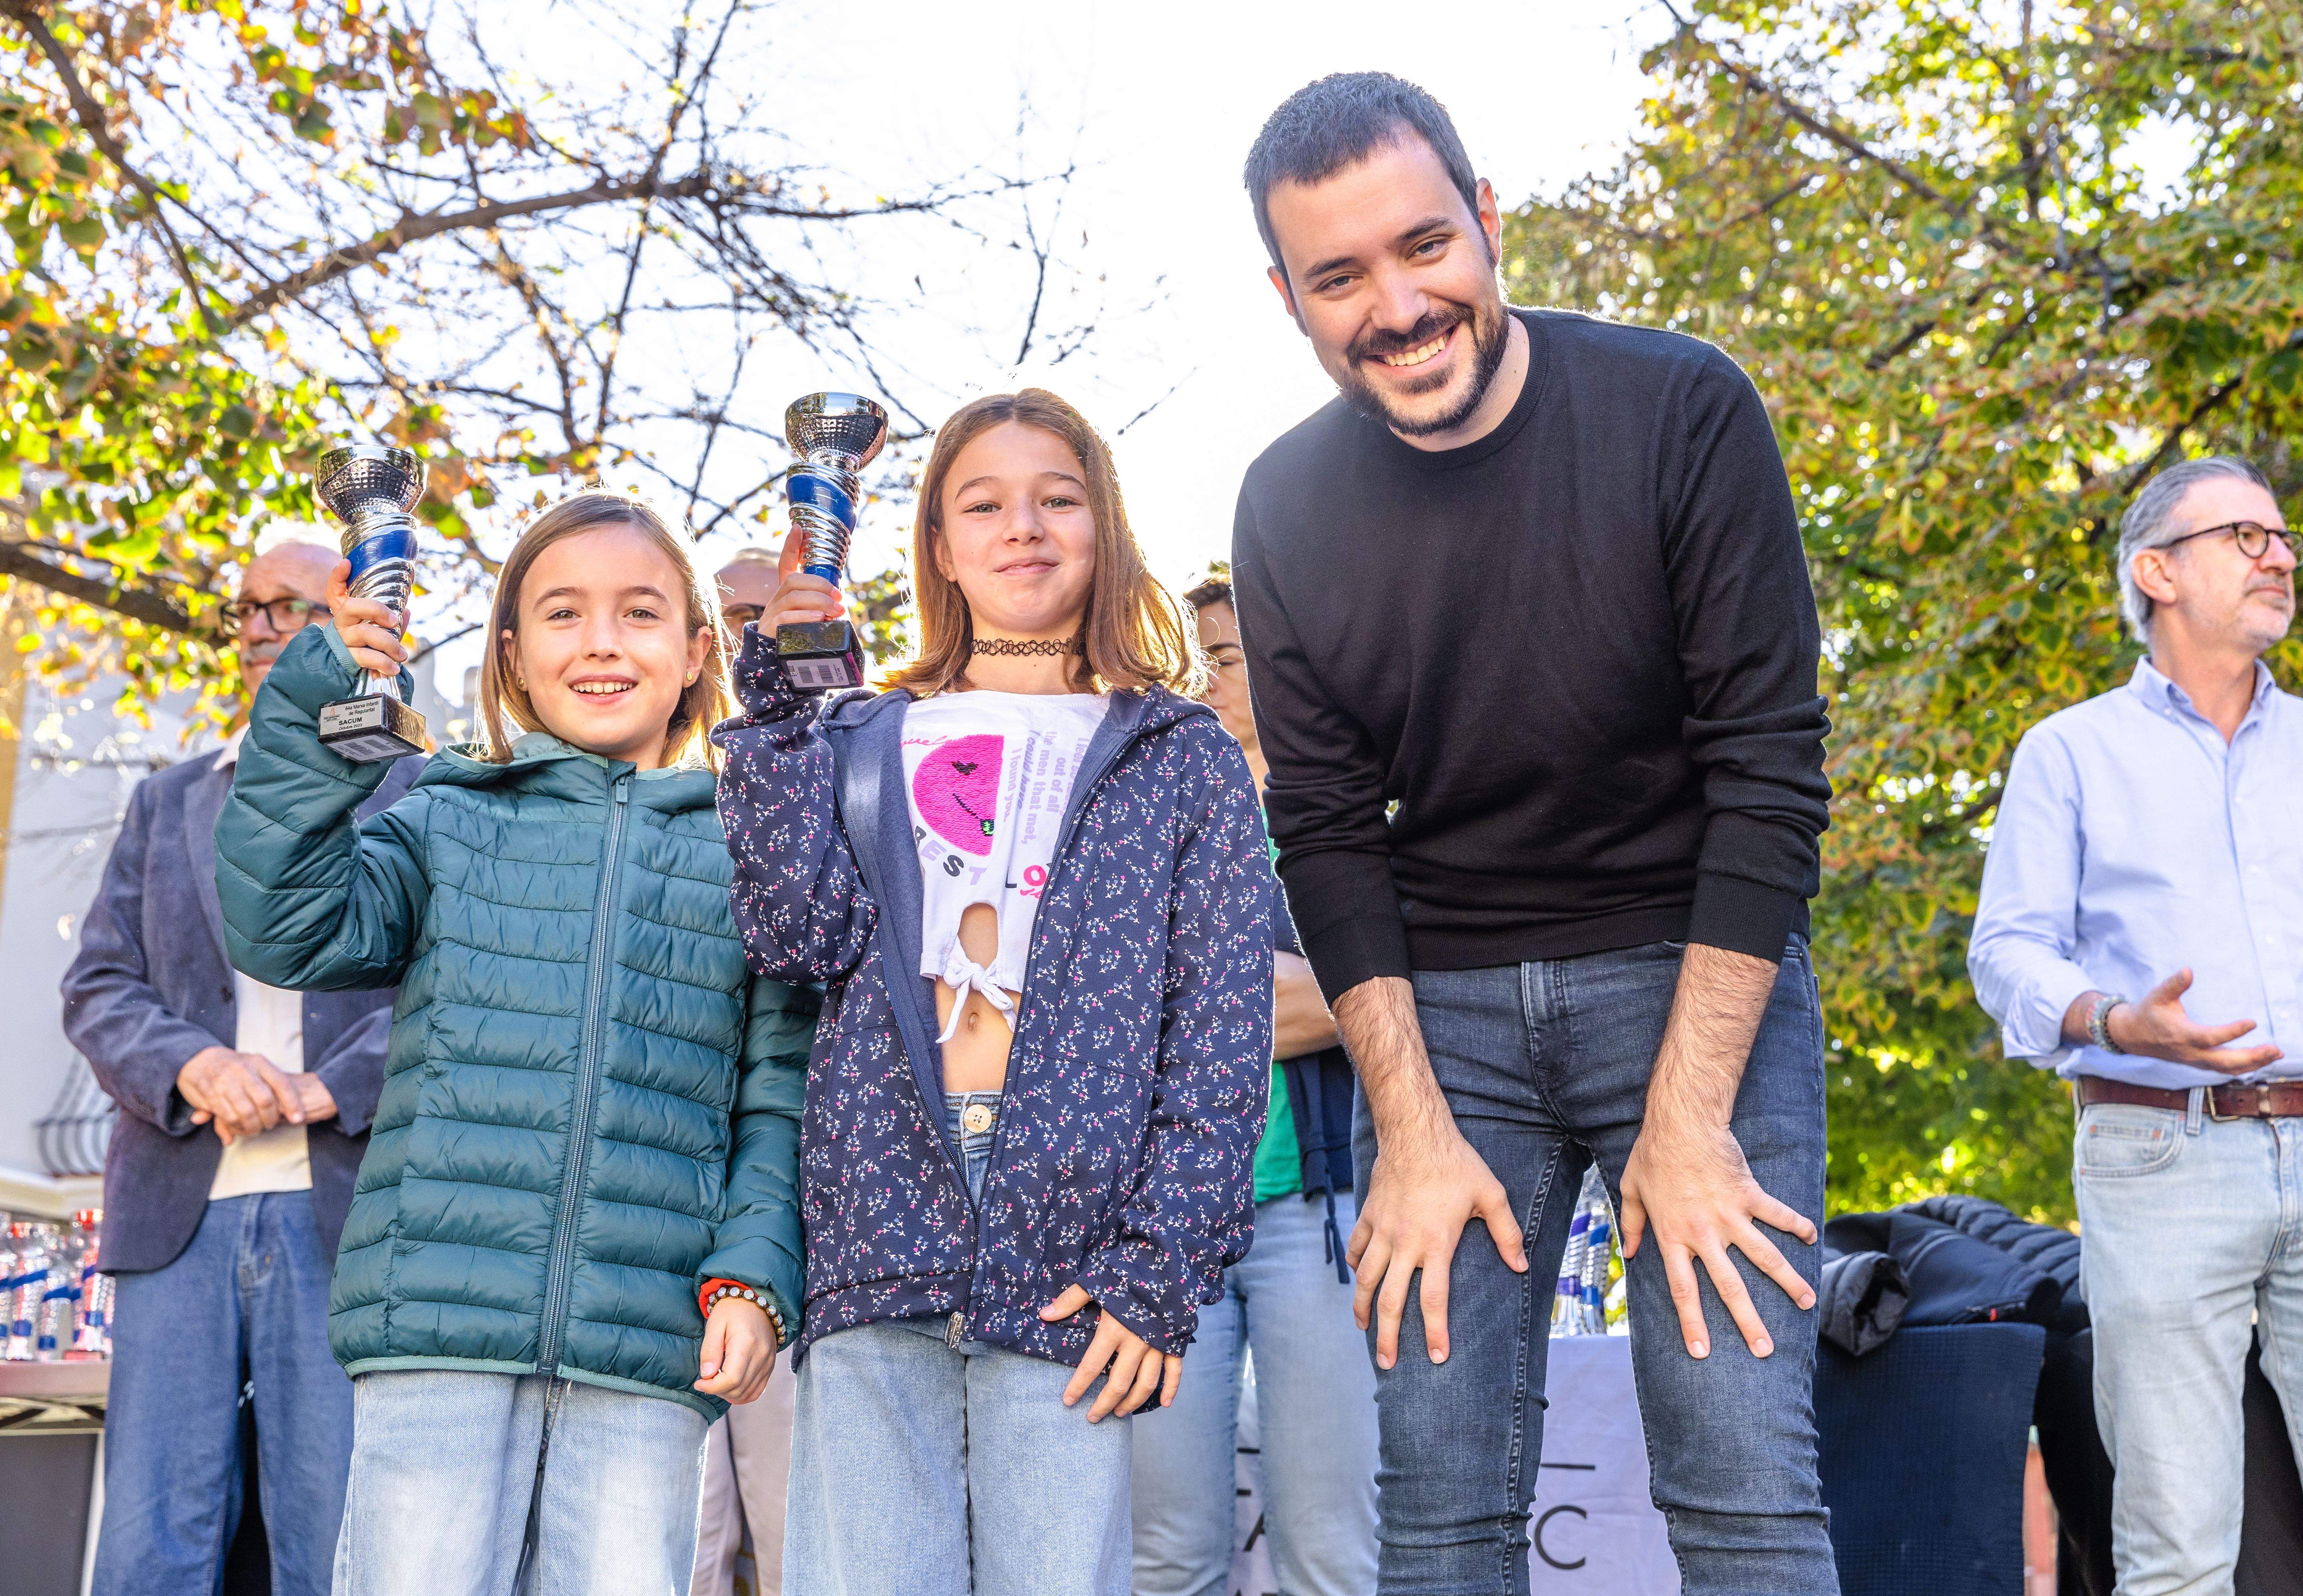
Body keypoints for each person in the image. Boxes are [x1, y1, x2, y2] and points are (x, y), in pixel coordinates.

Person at [1231, 73, 1837, 1594]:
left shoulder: (1681, 408)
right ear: (1290, 298)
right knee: (1437, 1506)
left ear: (1488, 223)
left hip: (1694, 979)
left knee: (1741, 1474)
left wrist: (1688, 1126)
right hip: (1441, 1026)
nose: (1398, 303)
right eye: (1340, 277)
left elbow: (1769, 775)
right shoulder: (1284, 505)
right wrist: (1414, 1135)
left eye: (1424, 245)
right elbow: (1323, 832)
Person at [714, 388, 1275, 1596]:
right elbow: (795, 933)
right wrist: (782, 713)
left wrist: (1160, 1266)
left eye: (1056, 498)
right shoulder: (865, 733)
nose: (1023, 525)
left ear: (1105, 527)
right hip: (879, 1221)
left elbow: (1222, 1038)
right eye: (985, 503)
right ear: (940, 548)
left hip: (1075, 1243)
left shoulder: (1180, 756)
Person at [212, 492, 816, 1596]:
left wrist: (754, 1276)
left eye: (639, 614)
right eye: (563, 614)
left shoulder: (752, 855)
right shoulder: (447, 813)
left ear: (695, 651)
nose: (599, 642)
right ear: (513, 654)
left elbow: (776, 1096)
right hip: (435, 1324)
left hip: (647, 1340)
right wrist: (314, 710)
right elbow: (285, 923)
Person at [1969, 455, 2303, 1595]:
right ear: (2156, 571)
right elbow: (2005, 950)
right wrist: (2116, 1019)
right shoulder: (2069, 752)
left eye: (2285, 538)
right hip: (2159, 1152)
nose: (2282, 556)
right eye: (2246, 537)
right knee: (2176, 1550)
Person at [62, 532, 420, 1596]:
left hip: (345, 1213)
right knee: (149, 1550)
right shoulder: (168, 800)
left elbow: (451, 995)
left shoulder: (421, 794)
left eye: (293, 609)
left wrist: (330, 1085)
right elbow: (98, 988)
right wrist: (193, 1066)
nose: (264, 630)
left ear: (359, 626)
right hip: (179, 1214)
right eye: (251, 610)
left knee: (333, 1545)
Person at [1130, 576, 1376, 1596]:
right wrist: (1304, 994)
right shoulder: (1140, 818)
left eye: (1226, 654)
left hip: (1318, 1219)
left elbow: (1393, 1001)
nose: (1205, 675)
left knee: (1332, 1550)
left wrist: (1202, 1002)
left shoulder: (1351, 820)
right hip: (1161, 1224)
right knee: (1166, 1555)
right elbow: (1108, 1014)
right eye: (1187, 656)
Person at [689, 545, 804, 1596]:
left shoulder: (845, 776)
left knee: (793, 1539)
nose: (748, 636)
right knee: (674, 1549)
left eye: (768, 613)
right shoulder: (650, 786)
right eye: (728, 616)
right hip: (660, 1225)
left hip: (793, 1226)